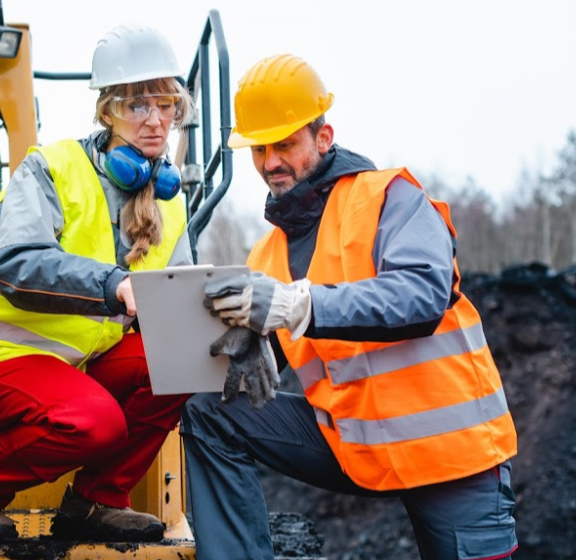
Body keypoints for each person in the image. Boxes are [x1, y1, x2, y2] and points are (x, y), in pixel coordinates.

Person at [181, 54, 519, 560]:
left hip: (450, 454)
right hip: (355, 447)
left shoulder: (390, 199)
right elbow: (281, 332)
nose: (270, 161)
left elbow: (421, 296)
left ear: (323, 137)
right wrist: (252, 346)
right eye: (259, 147)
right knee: (208, 410)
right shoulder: (266, 255)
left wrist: (298, 304)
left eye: (285, 144)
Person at [0, 25, 195, 544]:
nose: (155, 118)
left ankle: (96, 502)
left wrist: (233, 325)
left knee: (180, 356)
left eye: (166, 104)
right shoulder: (50, 169)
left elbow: (180, 302)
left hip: (68, 369)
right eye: (138, 105)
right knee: (96, 422)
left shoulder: (169, 201)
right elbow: (15, 262)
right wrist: (113, 283)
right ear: (108, 112)